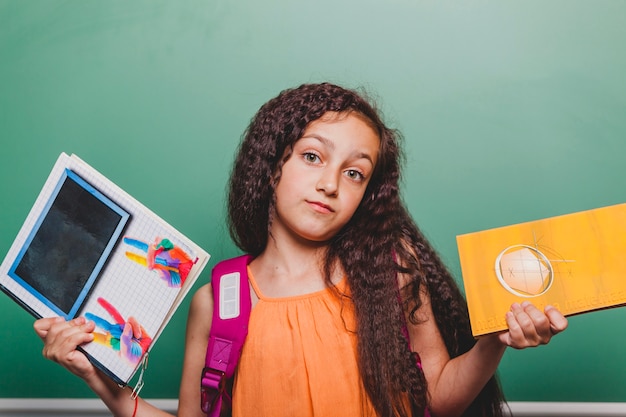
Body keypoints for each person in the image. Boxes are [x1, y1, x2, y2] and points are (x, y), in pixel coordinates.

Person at [34, 82, 568, 417]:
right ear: (271, 166)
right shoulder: (218, 299)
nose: (331, 183)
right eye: (313, 157)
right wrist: (101, 382)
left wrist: (494, 340)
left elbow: (438, 398)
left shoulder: (393, 269)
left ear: (366, 195)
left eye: (354, 172)